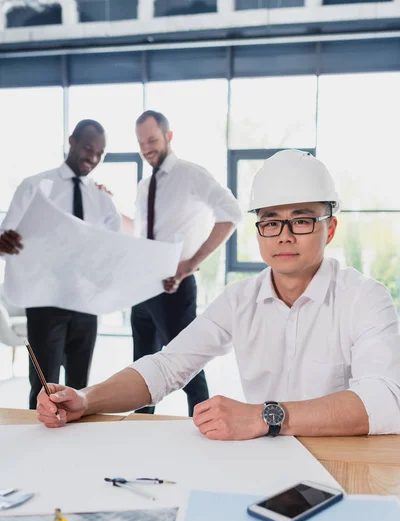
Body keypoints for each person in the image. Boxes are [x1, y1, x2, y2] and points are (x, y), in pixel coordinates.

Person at [37, 149, 400, 437]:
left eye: (302, 220)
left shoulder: (365, 299)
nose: (284, 235)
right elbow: (167, 366)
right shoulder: (240, 300)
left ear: (330, 228)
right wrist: (86, 398)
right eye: (271, 221)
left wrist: (265, 417)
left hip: (344, 464)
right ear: (259, 231)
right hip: (266, 463)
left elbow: (387, 401)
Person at [0, 119, 121, 409]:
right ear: (72, 141)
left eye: (99, 153)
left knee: (79, 390)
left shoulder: (102, 200)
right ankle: (37, 447)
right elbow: (6, 241)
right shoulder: (35, 186)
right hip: (45, 302)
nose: (92, 157)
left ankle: (73, 451)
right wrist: (3, 243)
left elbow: (113, 249)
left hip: (85, 303)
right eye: (88, 148)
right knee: (43, 388)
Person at [131, 110, 242, 417]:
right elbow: (143, 233)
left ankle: (203, 425)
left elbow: (232, 213)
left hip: (173, 286)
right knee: (142, 365)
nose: (146, 148)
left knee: (187, 365)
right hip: (142, 287)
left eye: (152, 140)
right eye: (141, 143)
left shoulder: (191, 175)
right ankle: (140, 428)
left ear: (168, 136)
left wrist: (192, 262)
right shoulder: (144, 186)